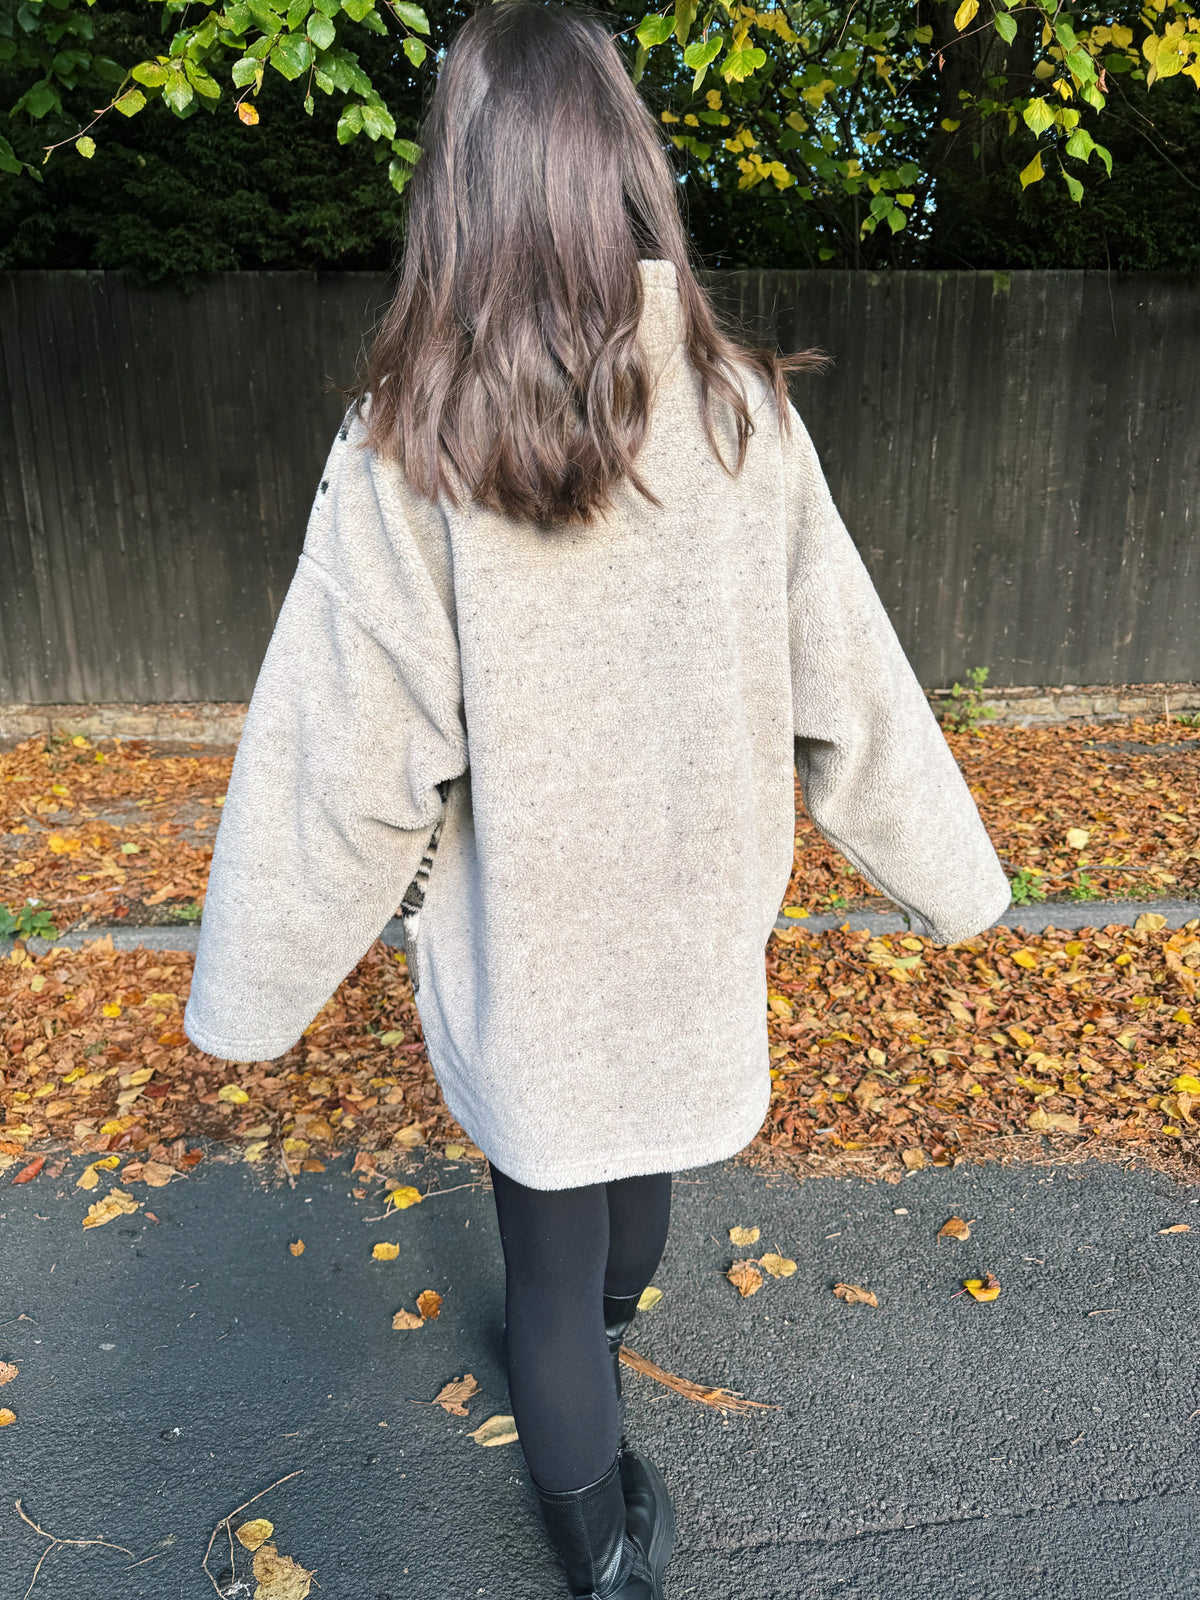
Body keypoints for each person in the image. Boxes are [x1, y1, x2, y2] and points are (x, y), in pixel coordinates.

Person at [183, 1, 1012, 1594]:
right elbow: (859, 688)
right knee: (636, 1199)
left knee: (545, 1275)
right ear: (628, 170)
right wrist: (961, 882)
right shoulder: (740, 418)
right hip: (691, 922)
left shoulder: (407, 446)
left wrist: (250, 993)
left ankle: (606, 1553)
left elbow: (338, 766)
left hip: (536, 945)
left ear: (458, 194)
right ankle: (611, 1442)